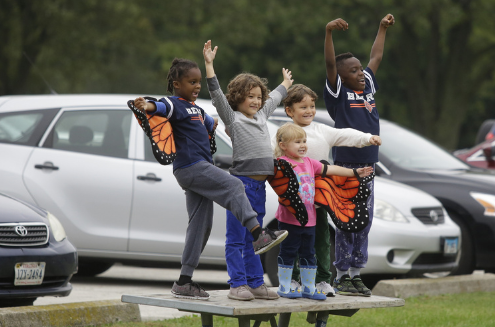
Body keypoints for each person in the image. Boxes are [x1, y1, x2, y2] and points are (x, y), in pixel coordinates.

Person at [133, 58, 286, 301]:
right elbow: (161, 108)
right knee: (235, 184)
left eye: (197, 82)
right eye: (191, 82)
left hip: (200, 169)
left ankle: (183, 281)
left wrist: (213, 123)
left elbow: (207, 122)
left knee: (200, 226)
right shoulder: (175, 104)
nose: (196, 86)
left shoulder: (196, 109)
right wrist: (148, 106)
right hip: (191, 167)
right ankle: (258, 234)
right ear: (176, 84)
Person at [203, 40, 292, 301]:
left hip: (259, 188)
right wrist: (209, 65)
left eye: (257, 97)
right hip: (239, 187)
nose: (255, 101)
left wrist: (285, 84)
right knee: (236, 238)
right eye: (249, 96)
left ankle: (255, 283)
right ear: (238, 99)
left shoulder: (262, 115)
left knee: (257, 239)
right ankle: (237, 284)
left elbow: (275, 97)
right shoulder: (233, 118)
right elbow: (216, 95)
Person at [277, 84, 381, 297]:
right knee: (292, 243)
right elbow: (272, 161)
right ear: (289, 111)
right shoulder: (284, 133)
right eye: (302, 107)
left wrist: (367, 138)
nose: (309, 111)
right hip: (292, 204)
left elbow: (345, 135)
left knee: (321, 241)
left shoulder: (321, 130)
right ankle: (294, 280)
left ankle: (323, 281)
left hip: (319, 201)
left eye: (312, 106)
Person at [323, 14, 394, 296]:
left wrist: (382, 28)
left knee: (364, 220)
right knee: (345, 220)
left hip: (368, 165)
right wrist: (328, 33)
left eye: (360, 70)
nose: (360, 73)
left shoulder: (369, 87)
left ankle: (355, 273)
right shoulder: (338, 95)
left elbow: (375, 56)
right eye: (353, 71)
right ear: (340, 78)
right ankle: (340, 273)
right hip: (344, 167)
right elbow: (330, 63)